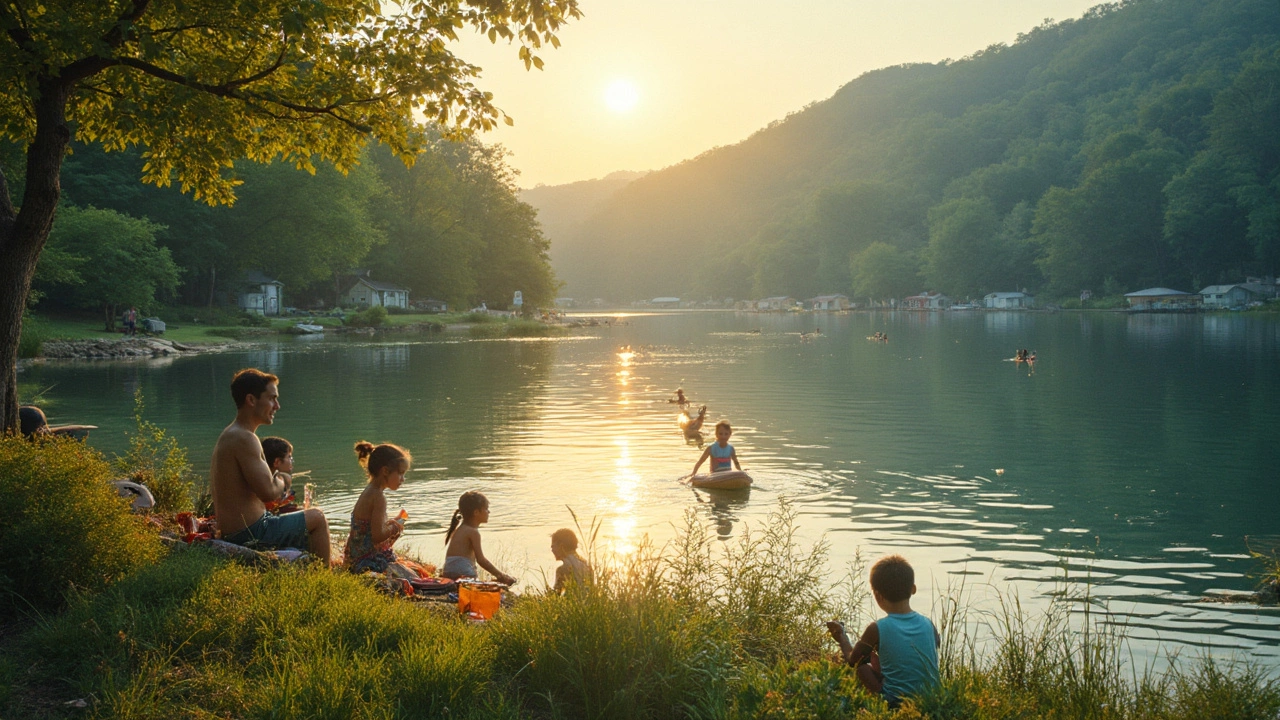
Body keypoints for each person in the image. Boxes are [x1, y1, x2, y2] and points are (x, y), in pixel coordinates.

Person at [210, 368, 332, 564]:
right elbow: (268, 492)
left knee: (298, 516)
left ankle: (309, 567)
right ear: (251, 400)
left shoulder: (232, 434)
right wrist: (283, 479)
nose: (277, 406)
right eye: (272, 398)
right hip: (251, 532)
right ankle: (326, 582)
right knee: (317, 517)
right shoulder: (244, 437)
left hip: (240, 529)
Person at [826, 555, 940, 708]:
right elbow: (934, 644)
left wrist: (842, 637)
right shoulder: (928, 624)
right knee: (875, 655)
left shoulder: (877, 628)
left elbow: (852, 661)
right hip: (932, 699)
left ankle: (881, 701)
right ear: (913, 589)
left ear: (877, 595)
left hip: (895, 701)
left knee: (861, 664)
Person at [343, 441, 411, 573]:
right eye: (401, 473)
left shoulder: (370, 491)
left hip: (354, 558)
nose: (403, 479)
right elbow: (377, 536)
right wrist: (395, 527)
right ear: (385, 471)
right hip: (367, 561)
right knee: (411, 575)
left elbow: (370, 530)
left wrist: (390, 524)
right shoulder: (379, 497)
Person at [441, 491, 517, 585]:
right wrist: (500, 575)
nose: (489, 512)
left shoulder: (459, 529)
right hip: (465, 575)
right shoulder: (473, 532)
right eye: (486, 509)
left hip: (448, 574)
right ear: (476, 512)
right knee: (505, 583)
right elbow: (481, 560)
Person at [260, 436, 298, 513]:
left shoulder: (283, 478)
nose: (292, 461)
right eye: (289, 457)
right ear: (277, 462)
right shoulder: (262, 483)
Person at [551, 528, 594, 593]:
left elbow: (555, 595)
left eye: (553, 547)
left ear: (561, 546)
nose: (552, 550)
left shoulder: (563, 569)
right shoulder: (587, 565)